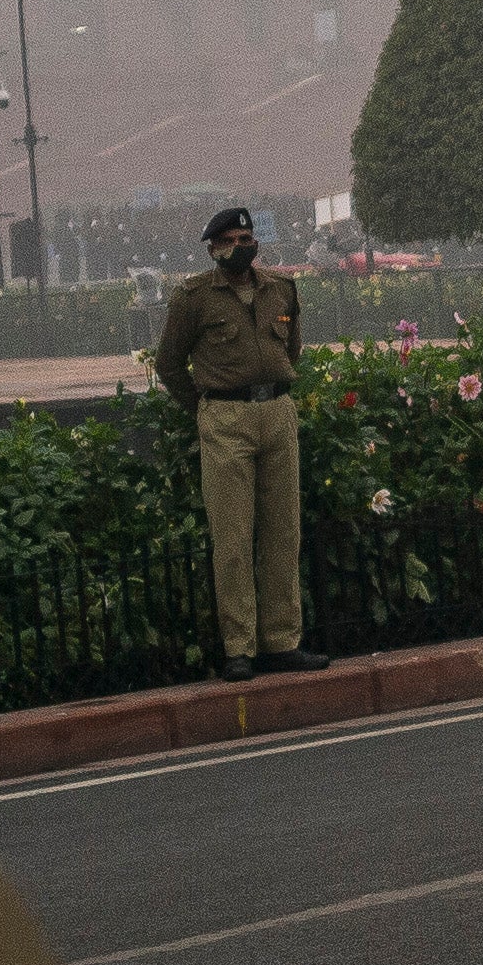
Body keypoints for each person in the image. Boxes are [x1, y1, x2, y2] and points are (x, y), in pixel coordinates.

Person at [150, 206, 327, 681]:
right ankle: (239, 647)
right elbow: (168, 364)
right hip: (225, 416)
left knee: (283, 532)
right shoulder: (194, 296)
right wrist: (206, 408)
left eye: (245, 237)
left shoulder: (281, 288)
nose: (240, 246)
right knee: (232, 538)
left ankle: (282, 641)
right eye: (229, 240)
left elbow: (291, 351)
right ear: (213, 249)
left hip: (278, 412)